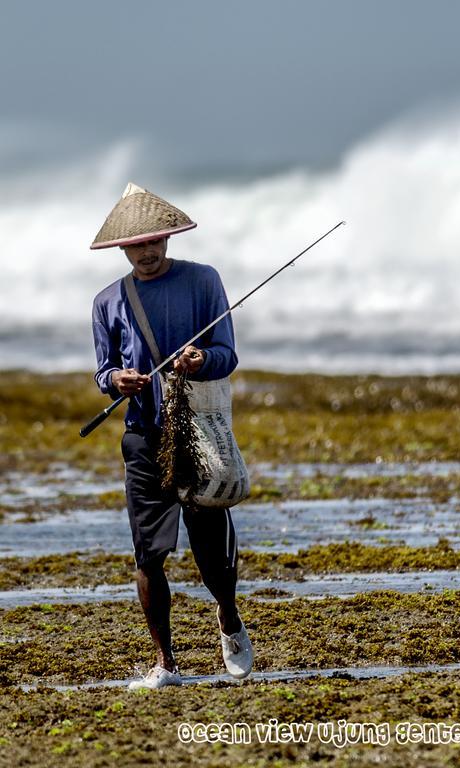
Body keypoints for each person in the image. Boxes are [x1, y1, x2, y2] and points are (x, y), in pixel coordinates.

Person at [90, 182, 253, 689]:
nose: (147, 251)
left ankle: (227, 613)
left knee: (211, 551)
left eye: (155, 241)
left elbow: (228, 355)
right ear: (122, 247)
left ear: (168, 238)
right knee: (148, 554)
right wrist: (118, 379)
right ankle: (166, 662)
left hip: (199, 434)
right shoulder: (107, 302)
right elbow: (103, 372)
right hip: (143, 437)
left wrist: (202, 359)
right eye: (136, 244)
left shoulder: (204, 282)